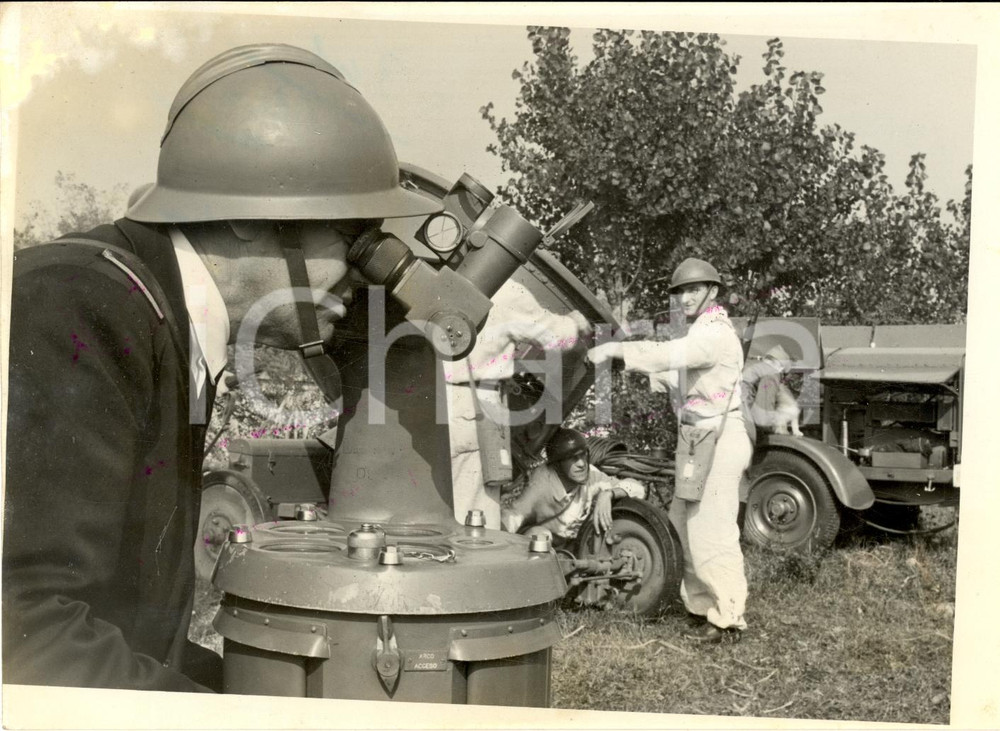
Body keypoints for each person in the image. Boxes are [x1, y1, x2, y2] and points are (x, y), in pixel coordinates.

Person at [2, 44, 441, 692]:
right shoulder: (81, 309)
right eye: (351, 236)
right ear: (244, 216)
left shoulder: (154, 317)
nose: (362, 272)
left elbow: (120, 628)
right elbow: (26, 632)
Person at [587, 257, 752, 643]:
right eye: (680, 292)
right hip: (697, 442)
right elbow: (674, 374)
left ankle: (728, 618)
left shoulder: (714, 333)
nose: (685, 298)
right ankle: (699, 607)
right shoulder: (700, 333)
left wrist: (615, 349)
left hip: (720, 441)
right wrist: (628, 366)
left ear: (712, 292)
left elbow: (671, 355)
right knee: (682, 524)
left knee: (712, 531)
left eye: (693, 289)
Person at [501, 427, 646, 541]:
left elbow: (637, 488)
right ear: (557, 464)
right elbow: (513, 515)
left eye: (583, 455)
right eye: (572, 459)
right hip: (538, 546)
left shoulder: (591, 475)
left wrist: (608, 494)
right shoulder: (540, 484)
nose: (581, 464)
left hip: (573, 547)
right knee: (540, 536)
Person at [743, 344, 803, 436]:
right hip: (743, 422)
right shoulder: (771, 375)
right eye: (782, 373)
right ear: (780, 367)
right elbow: (762, 419)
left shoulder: (750, 368)